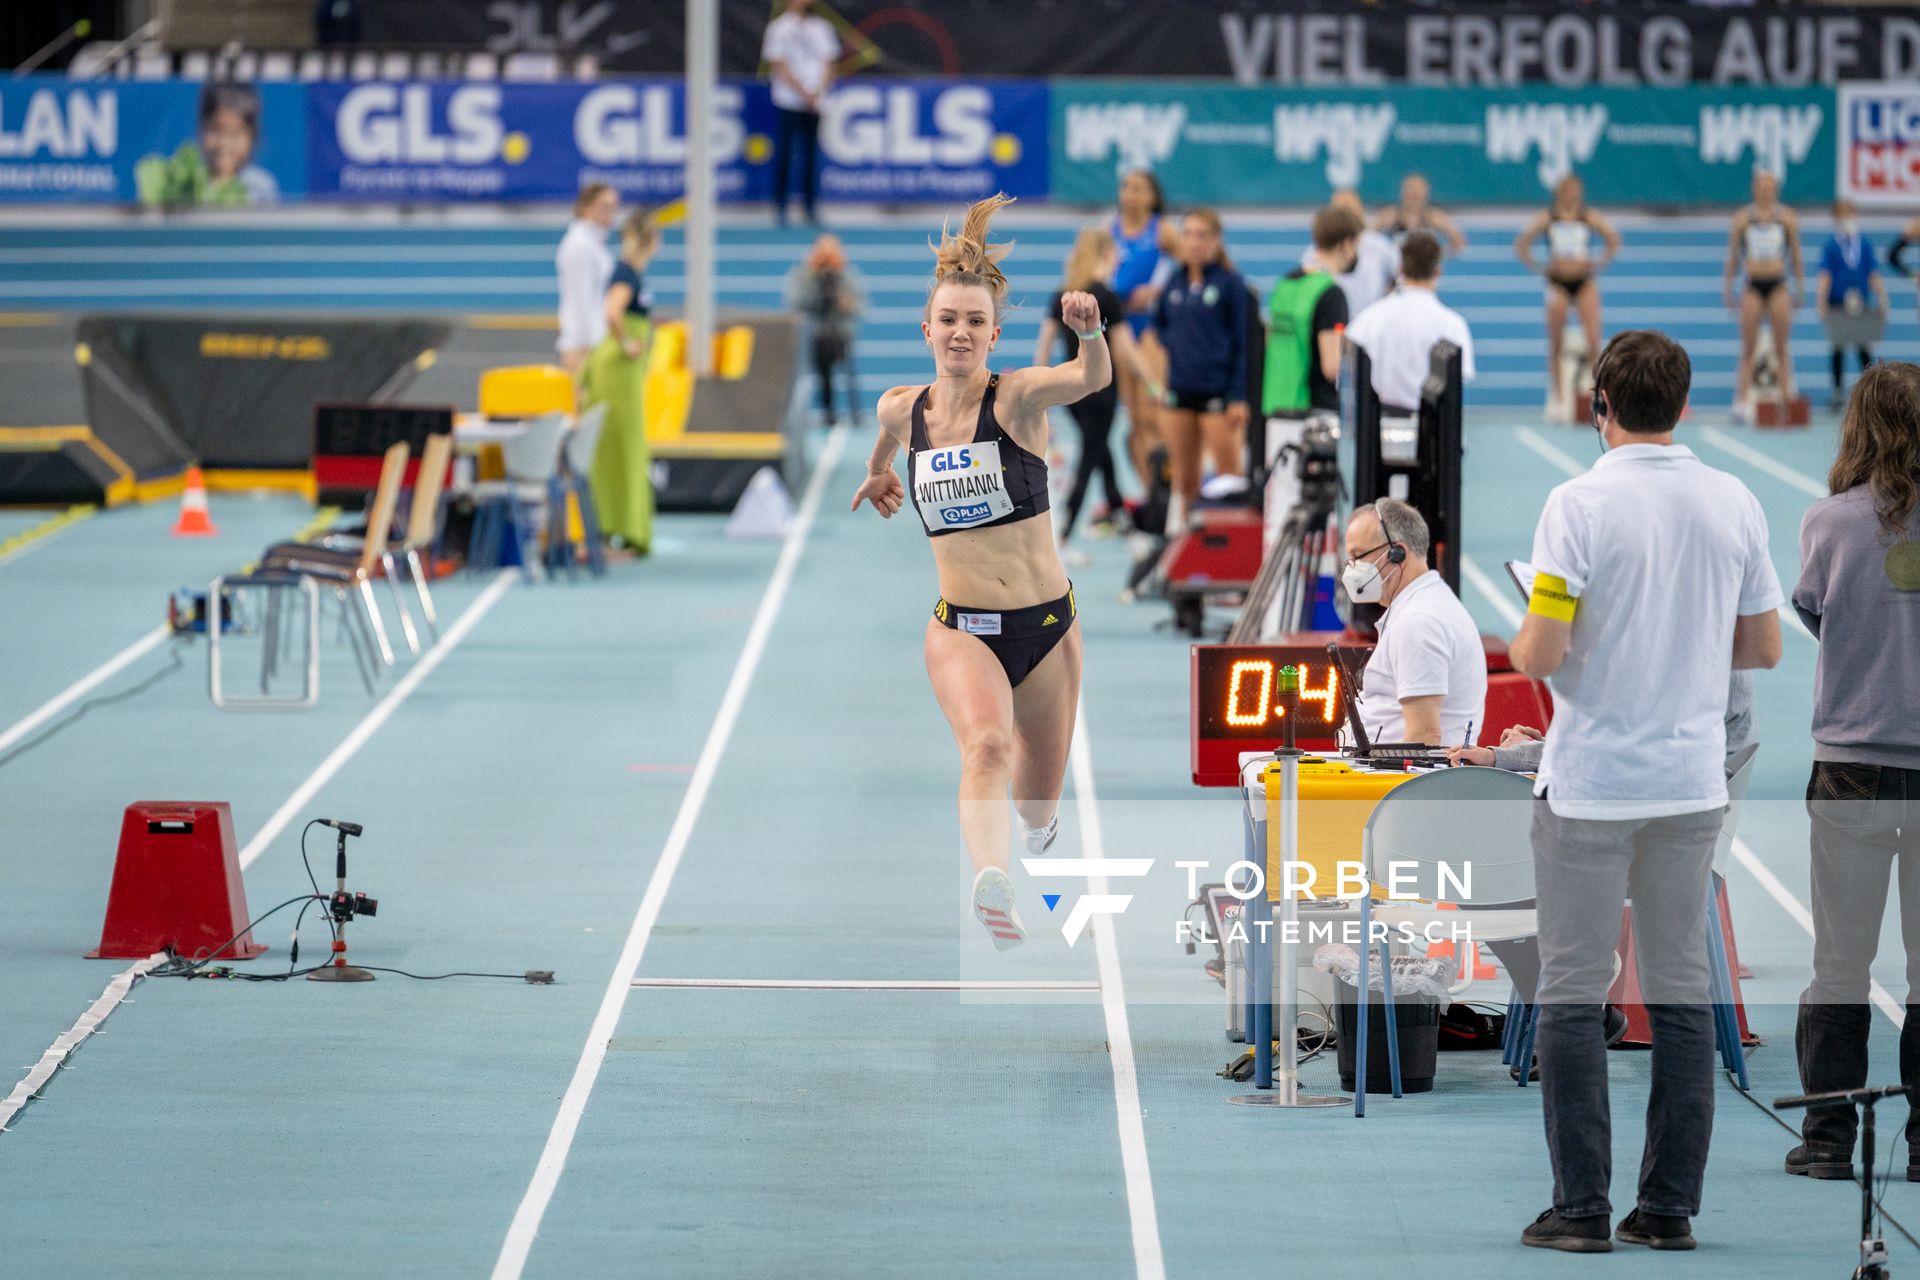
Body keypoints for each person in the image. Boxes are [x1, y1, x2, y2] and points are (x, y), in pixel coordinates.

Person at [1507, 329, 1783, 1254]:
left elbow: (1540, 652)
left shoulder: (1577, 503)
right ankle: (1668, 1208)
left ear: (1600, 407)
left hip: (1592, 786)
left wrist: (1539, 638)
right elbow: (1765, 647)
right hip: (1689, 782)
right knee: (1681, 996)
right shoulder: (1734, 499)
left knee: (1575, 995)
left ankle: (1580, 1207)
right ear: (1684, 405)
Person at [849, 194, 1111, 950]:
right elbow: (885, 437)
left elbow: (1089, 379)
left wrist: (1091, 334)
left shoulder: (1020, 398)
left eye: (974, 322)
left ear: (992, 335)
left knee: (1036, 802)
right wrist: (877, 474)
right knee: (985, 749)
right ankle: (990, 883)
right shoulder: (904, 410)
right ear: (926, 329)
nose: (960, 332)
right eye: (948, 320)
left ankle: (1032, 831)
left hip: (1046, 627)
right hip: (962, 629)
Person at [1785, 362, 1920, 1182]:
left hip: (1852, 768)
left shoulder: (1829, 523)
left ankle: (1829, 1137)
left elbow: (1811, 611)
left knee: (1840, 961)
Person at [1033, 228, 1155, 563]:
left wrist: (1037, 386)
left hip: (1071, 390)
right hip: (1100, 390)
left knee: (1103, 458)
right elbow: (1124, 347)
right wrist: (1151, 381)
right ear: (1106, 253)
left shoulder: (1063, 293)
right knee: (1090, 460)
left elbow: (1044, 343)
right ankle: (1064, 534)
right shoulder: (1105, 295)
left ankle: (1128, 530)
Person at [1342, 498, 1485, 746]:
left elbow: (1423, 738)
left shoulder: (1418, 622)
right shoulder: (1424, 606)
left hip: (1391, 783)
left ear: (1397, 554)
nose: (1352, 569)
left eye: (1358, 556)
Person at [1152, 209, 1251, 535]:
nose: (1193, 242)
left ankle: (1231, 555)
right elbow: (1161, 324)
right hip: (1180, 393)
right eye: (1188, 234)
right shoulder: (1174, 282)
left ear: (1215, 240)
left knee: (1228, 480)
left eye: (1201, 235)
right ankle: (1191, 553)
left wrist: (1238, 396)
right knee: (1185, 480)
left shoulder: (1231, 284)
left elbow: (1245, 345)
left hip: (1218, 396)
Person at [581, 208, 659, 554]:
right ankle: (617, 531)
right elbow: (612, 312)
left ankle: (615, 529)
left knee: (621, 450)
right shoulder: (626, 273)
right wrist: (627, 341)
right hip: (616, 371)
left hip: (616, 369)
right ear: (651, 242)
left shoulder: (628, 272)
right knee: (623, 450)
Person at [1514, 175, 1620, 421]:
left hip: (1584, 281)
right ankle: (1560, 401)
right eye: (1568, 189)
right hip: (1558, 282)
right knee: (1556, 344)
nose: (1573, 194)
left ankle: (1599, 398)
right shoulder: (1547, 217)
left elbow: (1614, 240)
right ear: (1559, 192)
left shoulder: (1588, 216)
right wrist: (1541, 267)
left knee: (1594, 342)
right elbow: (1522, 245)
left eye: (1577, 190)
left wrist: (1598, 263)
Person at [1345, 231, 1477, 416]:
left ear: (1400, 269)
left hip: (1379, 425)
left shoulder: (1369, 319)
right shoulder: (1452, 325)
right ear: (1437, 271)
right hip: (1432, 429)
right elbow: (1458, 378)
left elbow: (1348, 360)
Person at [1110, 170, 1178, 487]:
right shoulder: (1109, 231)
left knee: (1154, 413)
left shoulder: (1161, 230)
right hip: (1119, 327)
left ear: (1152, 196)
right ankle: (1152, 496)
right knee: (1135, 420)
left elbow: (1191, 268)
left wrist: (1156, 292)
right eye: (1126, 187)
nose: (1130, 194)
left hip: (1149, 327)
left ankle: (1172, 483)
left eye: (1138, 188)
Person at [1263, 205, 1359, 421]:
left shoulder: (1285, 283)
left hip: (1274, 403)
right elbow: (1332, 367)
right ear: (1347, 243)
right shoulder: (1331, 293)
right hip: (1313, 411)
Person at [1724, 170, 1804, 418]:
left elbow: (1796, 256)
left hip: (1778, 284)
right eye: (1761, 185)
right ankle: (1740, 402)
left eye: (1770, 185)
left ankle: (1786, 399)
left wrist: (1799, 287)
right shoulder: (1742, 219)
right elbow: (1733, 256)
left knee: (1781, 347)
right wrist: (1728, 287)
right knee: (1748, 347)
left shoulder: (1787, 218)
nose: (1766, 189)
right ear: (1754, 188)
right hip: (1752, 285)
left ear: (1776, 189)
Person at [135, 81, 280, 208]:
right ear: (201, 129)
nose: (224, 144)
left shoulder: (260, 187)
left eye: (235, 135)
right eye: (216, 131)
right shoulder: (177, 179)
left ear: (252, 137)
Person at [762, 0, 840, 228]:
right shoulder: (778, 27)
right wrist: (801, 90)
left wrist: (817, 91)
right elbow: (778, 62)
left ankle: (810, 205)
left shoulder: (822, 27)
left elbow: (829, 62)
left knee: (811, 153)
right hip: (788, 99)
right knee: (786, 152)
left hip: (816, 100)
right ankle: (781, 205)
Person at [1814, 200, 1890, 411]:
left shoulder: (1863, 243)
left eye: (1850, 213)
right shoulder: (1832, 245)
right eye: (1842, 214)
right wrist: (1820, 300)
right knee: (1837, 346)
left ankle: (1874, 391)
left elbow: (1873, 272)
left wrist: (1883, 298)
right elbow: (1825, 274)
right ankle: (1838, 392)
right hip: (1837, 302)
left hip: (1861, 301)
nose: (1847, 219)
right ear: (1836, 218)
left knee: (1863, 347)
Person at [787, 234, 867, 427]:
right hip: (815, 336)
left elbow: (859, 306)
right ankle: (826, 411)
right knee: (819, 364)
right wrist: (814, 286)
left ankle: (854, 412)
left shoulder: (848, 277)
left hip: (841, 335)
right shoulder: (803, 276)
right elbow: (796, 305)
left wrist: (842, 302)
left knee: (845, 366)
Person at [556, 183, 617, 376]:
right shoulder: (579, 244)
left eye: (613, 207)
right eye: (604, 206)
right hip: (583, 343)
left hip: (593, 338)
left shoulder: (594, 242)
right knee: (585, 405)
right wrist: (598, 342)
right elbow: (583, 299)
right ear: (585, 207)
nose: (610, 212)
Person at [1316, 187, 1399, 317]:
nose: (1346, 217)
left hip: (1371, 327)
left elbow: (1404, 279)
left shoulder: (1381, 246)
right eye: (1340, 211)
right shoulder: (1318, 251)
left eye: (1350, 209)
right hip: (1334, 324)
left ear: (1361, 210)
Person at [1375, 173, 1466, 256]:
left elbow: (1459, 242)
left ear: (1426, 194)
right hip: (1398, 268)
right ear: (1403, 193)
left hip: (1424, 269)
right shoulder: (1390, 215)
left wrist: (1436, 255)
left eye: (1418, 194)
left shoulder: (1435, 216)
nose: (1414, 196)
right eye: (1411, 192)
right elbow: (1365, 237)